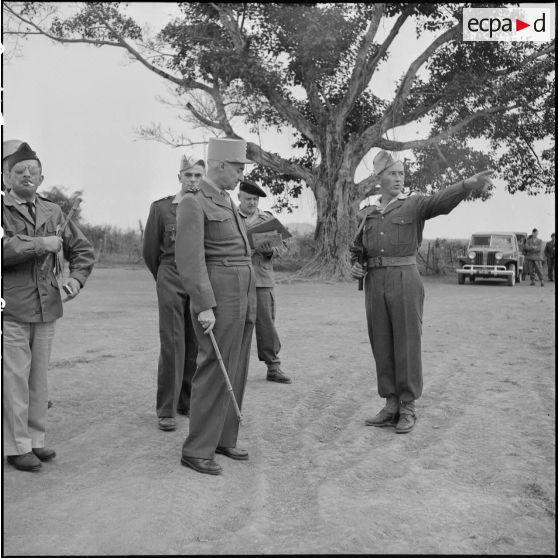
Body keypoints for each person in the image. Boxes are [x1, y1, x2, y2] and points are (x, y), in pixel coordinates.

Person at [351, 150, 493, 434]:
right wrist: (356, 266)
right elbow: (359, 250)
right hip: (374, 282)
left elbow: (440, 202)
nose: (398, 179)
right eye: (392, 174)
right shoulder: (368, 213)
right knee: (381, 341)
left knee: (407, 341)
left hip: (405, 277)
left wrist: (466, 185)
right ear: (379, 178)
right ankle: (390, 404)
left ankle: (407, 406)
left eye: (401, 174)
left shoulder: (414, 204)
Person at [2, 142, 95, 472]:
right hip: (10, 309)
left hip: (47, 308)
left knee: (38, 379)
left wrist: (75, 281)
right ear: (4, 176)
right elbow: (4, 250)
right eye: (18, 171)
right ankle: (16, 447)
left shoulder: (53, 212)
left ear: (42, 176)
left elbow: (83, 251)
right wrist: (41, 244)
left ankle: (35, 439)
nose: (27, 175)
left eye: (32, 170)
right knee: (14, 379)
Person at [175, 137, 256, 476]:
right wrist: (204, 305)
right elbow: (190, 261)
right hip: (218, 296)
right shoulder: (194, 203)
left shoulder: (224, 199)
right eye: (238, 168)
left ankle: (223, 438)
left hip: (242, 291)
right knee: (213, 369)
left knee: (235, 367)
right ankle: (196, 449)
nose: (241, 176)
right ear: (221, 165)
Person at [142, 155, 204, 431]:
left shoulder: (208, 208)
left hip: (200, 278)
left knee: (195, 342)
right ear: (179, 177)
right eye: (188, 175)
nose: (193, 181)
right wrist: (163, 279)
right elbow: (150, 251)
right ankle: (166, 409)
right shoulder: (162, 208)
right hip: (170, 274)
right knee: (173, 343)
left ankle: (186, 401)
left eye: (198, 176)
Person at [238, 179, 292, 384]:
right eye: (247, 199)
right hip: (237, 278)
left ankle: (273, 366)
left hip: (262, 278)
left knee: (266, 324)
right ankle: (233, 367)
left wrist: (270, 250)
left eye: (255, 199)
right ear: (239, 198)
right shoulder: (231, 217)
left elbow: (283, 246)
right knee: (235, 323)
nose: (252, 203)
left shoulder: (267, 219)